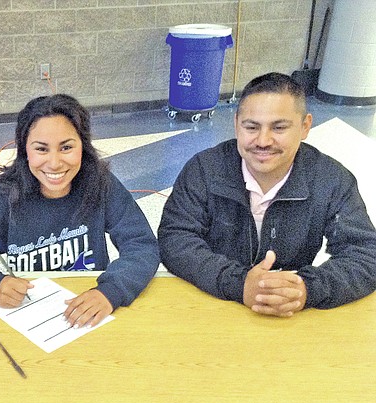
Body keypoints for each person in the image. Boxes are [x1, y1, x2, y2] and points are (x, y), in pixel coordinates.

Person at [158, 72, 376, 317]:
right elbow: (174, 238)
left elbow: (366, 253)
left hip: (289, 312)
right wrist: (239, 283)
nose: (263, 141)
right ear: (236, 123)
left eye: (279, 127)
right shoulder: (204, 169)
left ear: (305, 126)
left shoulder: (331, 179)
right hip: (213, 301)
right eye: (251, 127)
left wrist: (306, 288)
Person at [0, 94, 159, 328]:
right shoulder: (3, 196)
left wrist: (112, 291)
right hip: (30, 316)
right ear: (24, 151)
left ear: (84, 146)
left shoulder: (101, 184)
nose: (54, 163)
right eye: (41, 149)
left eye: (66, 147)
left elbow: (141, 244)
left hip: (92, 308)